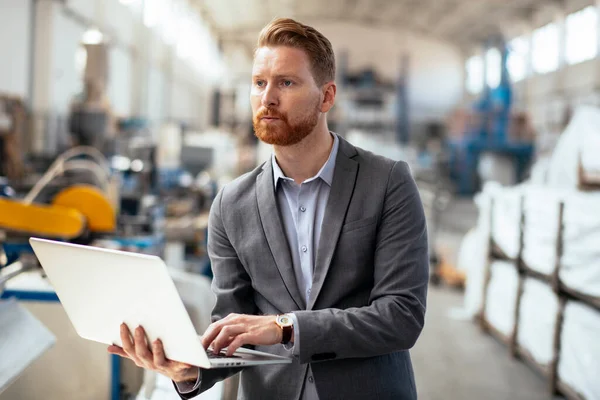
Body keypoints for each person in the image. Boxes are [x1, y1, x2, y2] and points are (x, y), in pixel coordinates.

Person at [108, 17, 429, 400]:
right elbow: (232, 327)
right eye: (259, 83)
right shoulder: (231, 204)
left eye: (286, 82)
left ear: (327, 96)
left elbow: (401, 316)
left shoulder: (387, 181)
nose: (267, 98)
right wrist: (188, 369)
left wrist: (286, 327)